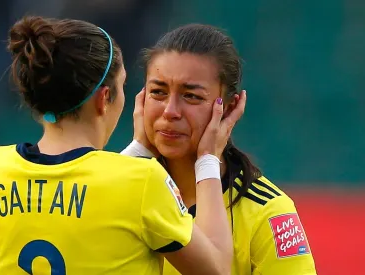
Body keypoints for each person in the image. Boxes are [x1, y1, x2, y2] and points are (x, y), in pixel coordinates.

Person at [0, 16, 245, 275]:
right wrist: (208, 158)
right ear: (103, 98)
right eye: (124, 85)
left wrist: (138, 149)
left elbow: (80, 204)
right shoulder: (142, 181)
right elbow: (217, 267)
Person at [122, 24, 317, 275]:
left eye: (191, 96)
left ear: (228, 106)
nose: (170, 111)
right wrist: (138, 150)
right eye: (158, 92)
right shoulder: (125, 189)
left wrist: (206, 161)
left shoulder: (267, 212)